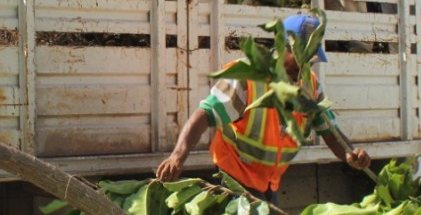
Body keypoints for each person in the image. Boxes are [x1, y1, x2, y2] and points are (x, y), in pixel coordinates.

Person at [156, 13, 370, 201]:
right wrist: (178, 156)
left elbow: (330, 132)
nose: (306, 65)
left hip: (269, 180)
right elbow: (205, 114)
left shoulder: (310, 85)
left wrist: (351, 154)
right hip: (234, 175)